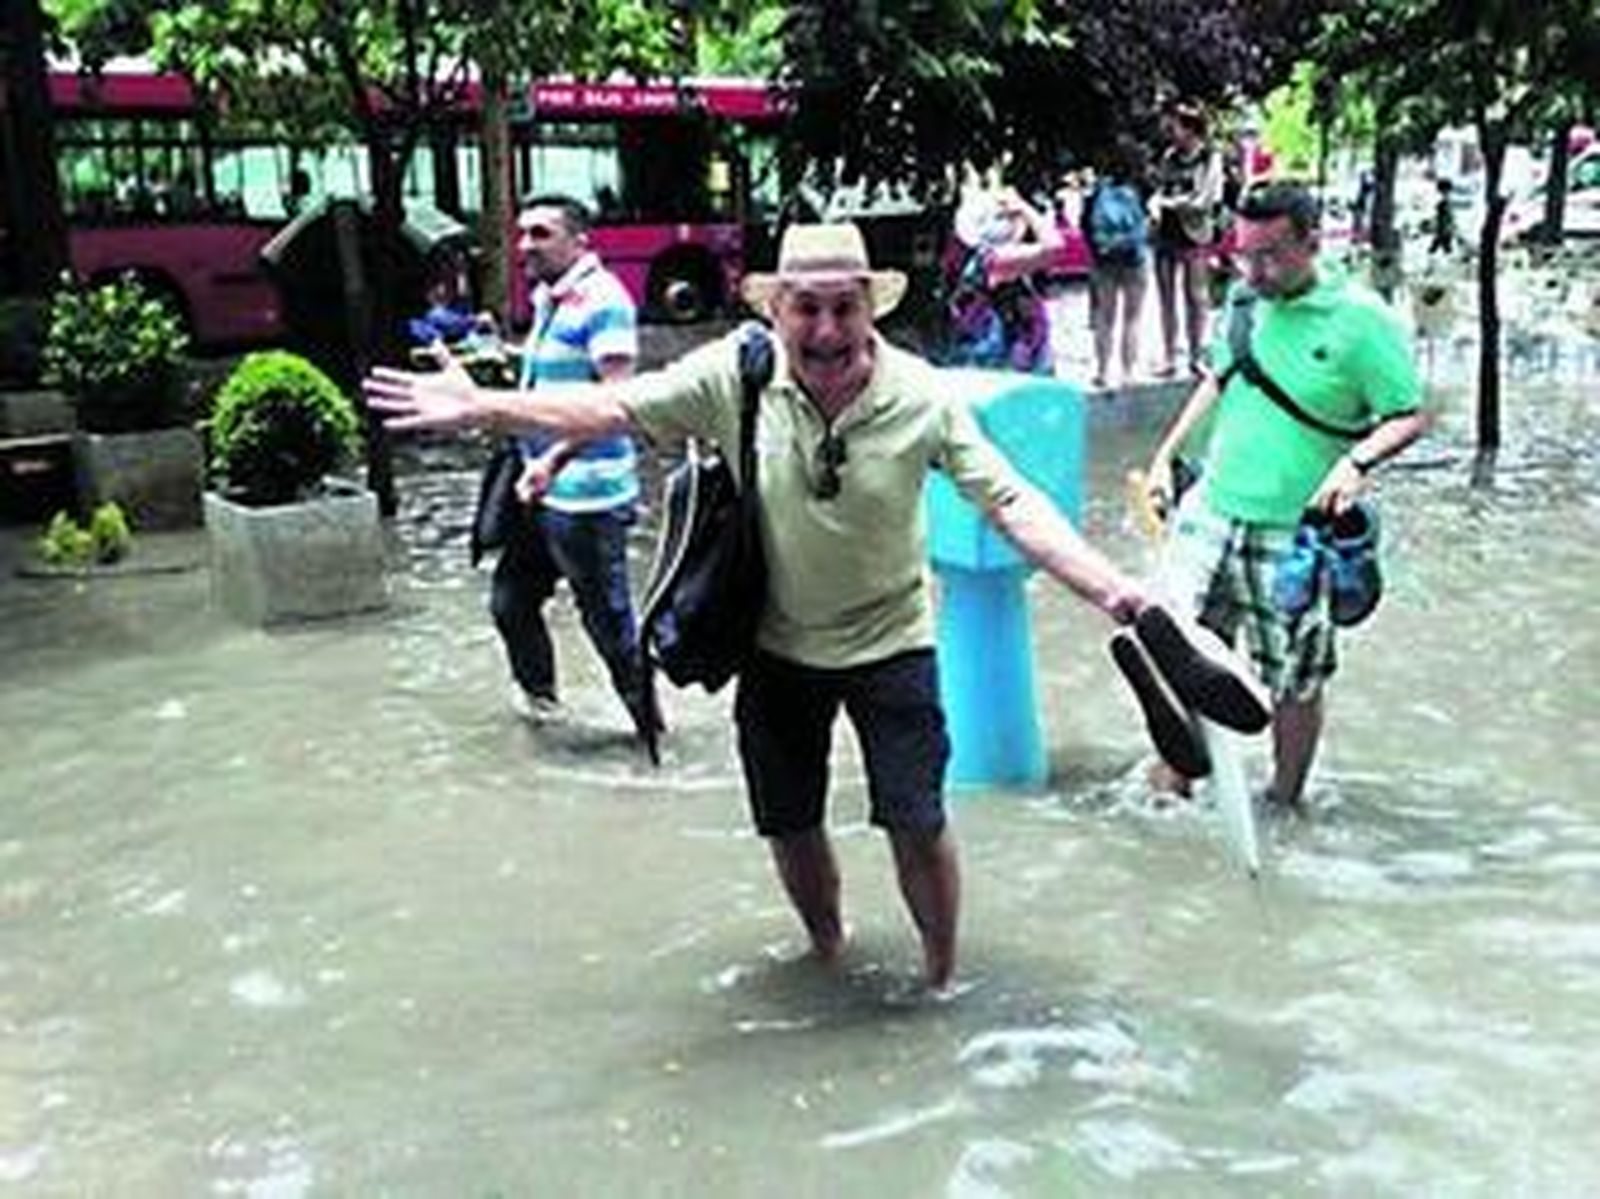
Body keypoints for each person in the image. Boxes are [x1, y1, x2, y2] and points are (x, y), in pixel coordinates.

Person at [365, 222, 1150, 991]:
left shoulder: (921, 395)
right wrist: (486, 407)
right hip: (776, 642)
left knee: (917, 820)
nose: (826, 330)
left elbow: (1009, 500)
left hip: (893, 639)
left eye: (843, 308)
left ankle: (941, 976)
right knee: (790, 822)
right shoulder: (734, 377)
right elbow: (616, 407)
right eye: (806, 308)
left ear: (869, 308)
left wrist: (1112, 589)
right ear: (775, 311)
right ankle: (828, 952)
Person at [1139, 182, 1432, 813]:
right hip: (1212, 510)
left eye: (1271, 255)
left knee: (1295, 675)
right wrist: (1166, 456)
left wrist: (1355, 464)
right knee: (1176, 651)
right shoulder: (1244, 301)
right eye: (1244, 254)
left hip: (1296, 532)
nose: (1255, 270)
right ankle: (1173, 785)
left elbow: (1408, 415)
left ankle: (1284, 800)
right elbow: (1220, 378)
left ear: (1311, 242)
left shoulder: (1362, 320)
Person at [489, 194, 654, 740]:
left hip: (587, 496)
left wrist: (553, 459)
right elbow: (552, 382)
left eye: (540, 234)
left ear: (580, 242)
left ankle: (652, 737)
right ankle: (544, 716)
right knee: (511, 603)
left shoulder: (604, 300)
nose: (525, 246)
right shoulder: (550, 298)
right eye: (522, 234)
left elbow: (616, 401)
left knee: (609, 627)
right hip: (539, 488)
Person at [944, 185, 1063, 374]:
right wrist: (1025, 208)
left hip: (984, 362)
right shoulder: (999, 260)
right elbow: (1054, 246)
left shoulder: (972, 258)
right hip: (1011, 369)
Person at [1149, 101, 1224, 378]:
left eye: (1177, 126)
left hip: (1194, 235)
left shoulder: (1209, 158)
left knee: (1196, 296)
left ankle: (1196, 356)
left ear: (1191, 129)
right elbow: (1159, 189)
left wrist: (1169, 203)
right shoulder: (1169, 157)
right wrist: (1155, 204)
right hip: (1165, 233)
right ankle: (1169, 357)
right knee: (1166, 297)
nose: (1171, 131)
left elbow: (1204, 200)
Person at [1081, 140, 1151, 390]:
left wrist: (1098, 250)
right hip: (1134, 259)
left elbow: (1084, 225)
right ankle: (1128, 372)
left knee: (1105, 317)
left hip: (1104, 260)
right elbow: (1149, 223)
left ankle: (1102, 371)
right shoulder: (1142, 188)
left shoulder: (1096, 191)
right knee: (1133, 317)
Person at [1428, 179, 1457, 256]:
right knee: (1442, 241)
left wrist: (1450, 223)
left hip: (1445, 223)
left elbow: (1448, 213)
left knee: (1443, 241)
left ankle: (1436, 252)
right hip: (1442, 223)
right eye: (1444, 189)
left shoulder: (1447, 199)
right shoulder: (1442, 199)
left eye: (1447, 190)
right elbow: (1441, 212)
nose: (1446, 191)